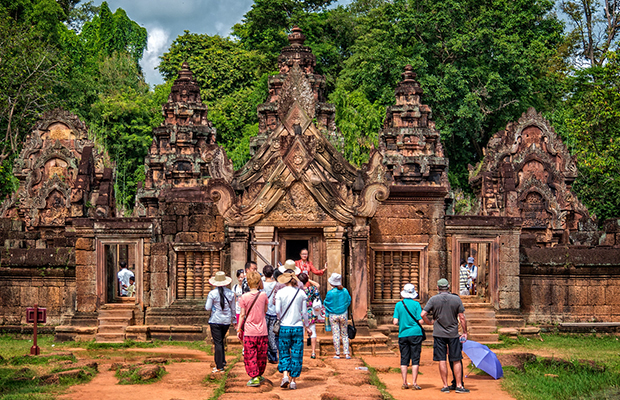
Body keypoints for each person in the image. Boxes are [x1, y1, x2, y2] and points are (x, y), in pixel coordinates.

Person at [421, 278, 469, 394]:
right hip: (453, 334)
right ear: (448, 287)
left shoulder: (433, 299)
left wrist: (430, 322)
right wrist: (465, 332)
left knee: (442, 359)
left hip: (438, 333)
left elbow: (423, 314)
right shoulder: (456, 299)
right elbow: (462, 318)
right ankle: (458, 385)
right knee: (456, 359)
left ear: (437, 288)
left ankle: (445, 386)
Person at [275, 271, 310, 390]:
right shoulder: (301, 293)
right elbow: (304, 312)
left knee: (284, 351)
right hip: (298, 326)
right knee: (297, 353)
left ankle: (285, 375)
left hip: (284, 326)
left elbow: (277, 311)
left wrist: (281, 319)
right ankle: (293, 381)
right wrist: (307, 326)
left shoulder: (280, 292)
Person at [237, 270, 269, 387]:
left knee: (250, 354)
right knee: (261, 354)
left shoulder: (244, 297)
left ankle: (254, 376)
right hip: (262, 330)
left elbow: (241, 315)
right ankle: (259, 374)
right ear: (259, 282)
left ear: (248, 283)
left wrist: (238, 328)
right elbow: (265, 310)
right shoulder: (263, 295)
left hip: (250, 330)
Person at [393, 283, 424, 390]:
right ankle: (415, 383)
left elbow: (395, 321)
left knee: (404, 358)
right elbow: (421, 320)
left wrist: (402, 321)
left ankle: (405, 382)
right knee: (415, 358)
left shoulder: (398, 305)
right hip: (416, 333)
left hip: (403, 334)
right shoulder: (416, 305)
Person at [205, 271, 235, 373]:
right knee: (220, 341)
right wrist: (234, 320)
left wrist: (214, 307)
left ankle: (219, 366)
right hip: (226, 320)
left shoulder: (212, 293)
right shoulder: (231, 294)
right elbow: (233, 309)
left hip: (215, 320)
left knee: (218, 342)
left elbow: (207, 307)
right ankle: (222, 361)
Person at [323, 273, 351, 359]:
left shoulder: (330, 293)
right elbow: (348, 301)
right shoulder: (345, 291)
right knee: (344, 334)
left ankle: (337, 353)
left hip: (333, 315)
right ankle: (346, 353)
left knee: (336, 334)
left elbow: (326, 303)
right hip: (343, 314)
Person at [297, 272, 320, 359]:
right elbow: (318, 285)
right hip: (310, 311)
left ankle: (300, 352)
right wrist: (309, 279)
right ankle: (313, 352)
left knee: (301, 333)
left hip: (300, 312)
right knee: (313, 331)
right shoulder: (311, 289)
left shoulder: (298, 290)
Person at [262, 265, 279, 364]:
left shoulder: (262, 285)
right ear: (272, 273)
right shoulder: (276, 284)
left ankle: (264, 354)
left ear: (264, 274)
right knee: (272, 335)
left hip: (264, 311)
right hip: (274, 311)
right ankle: (273, 356)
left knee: (264, 334)